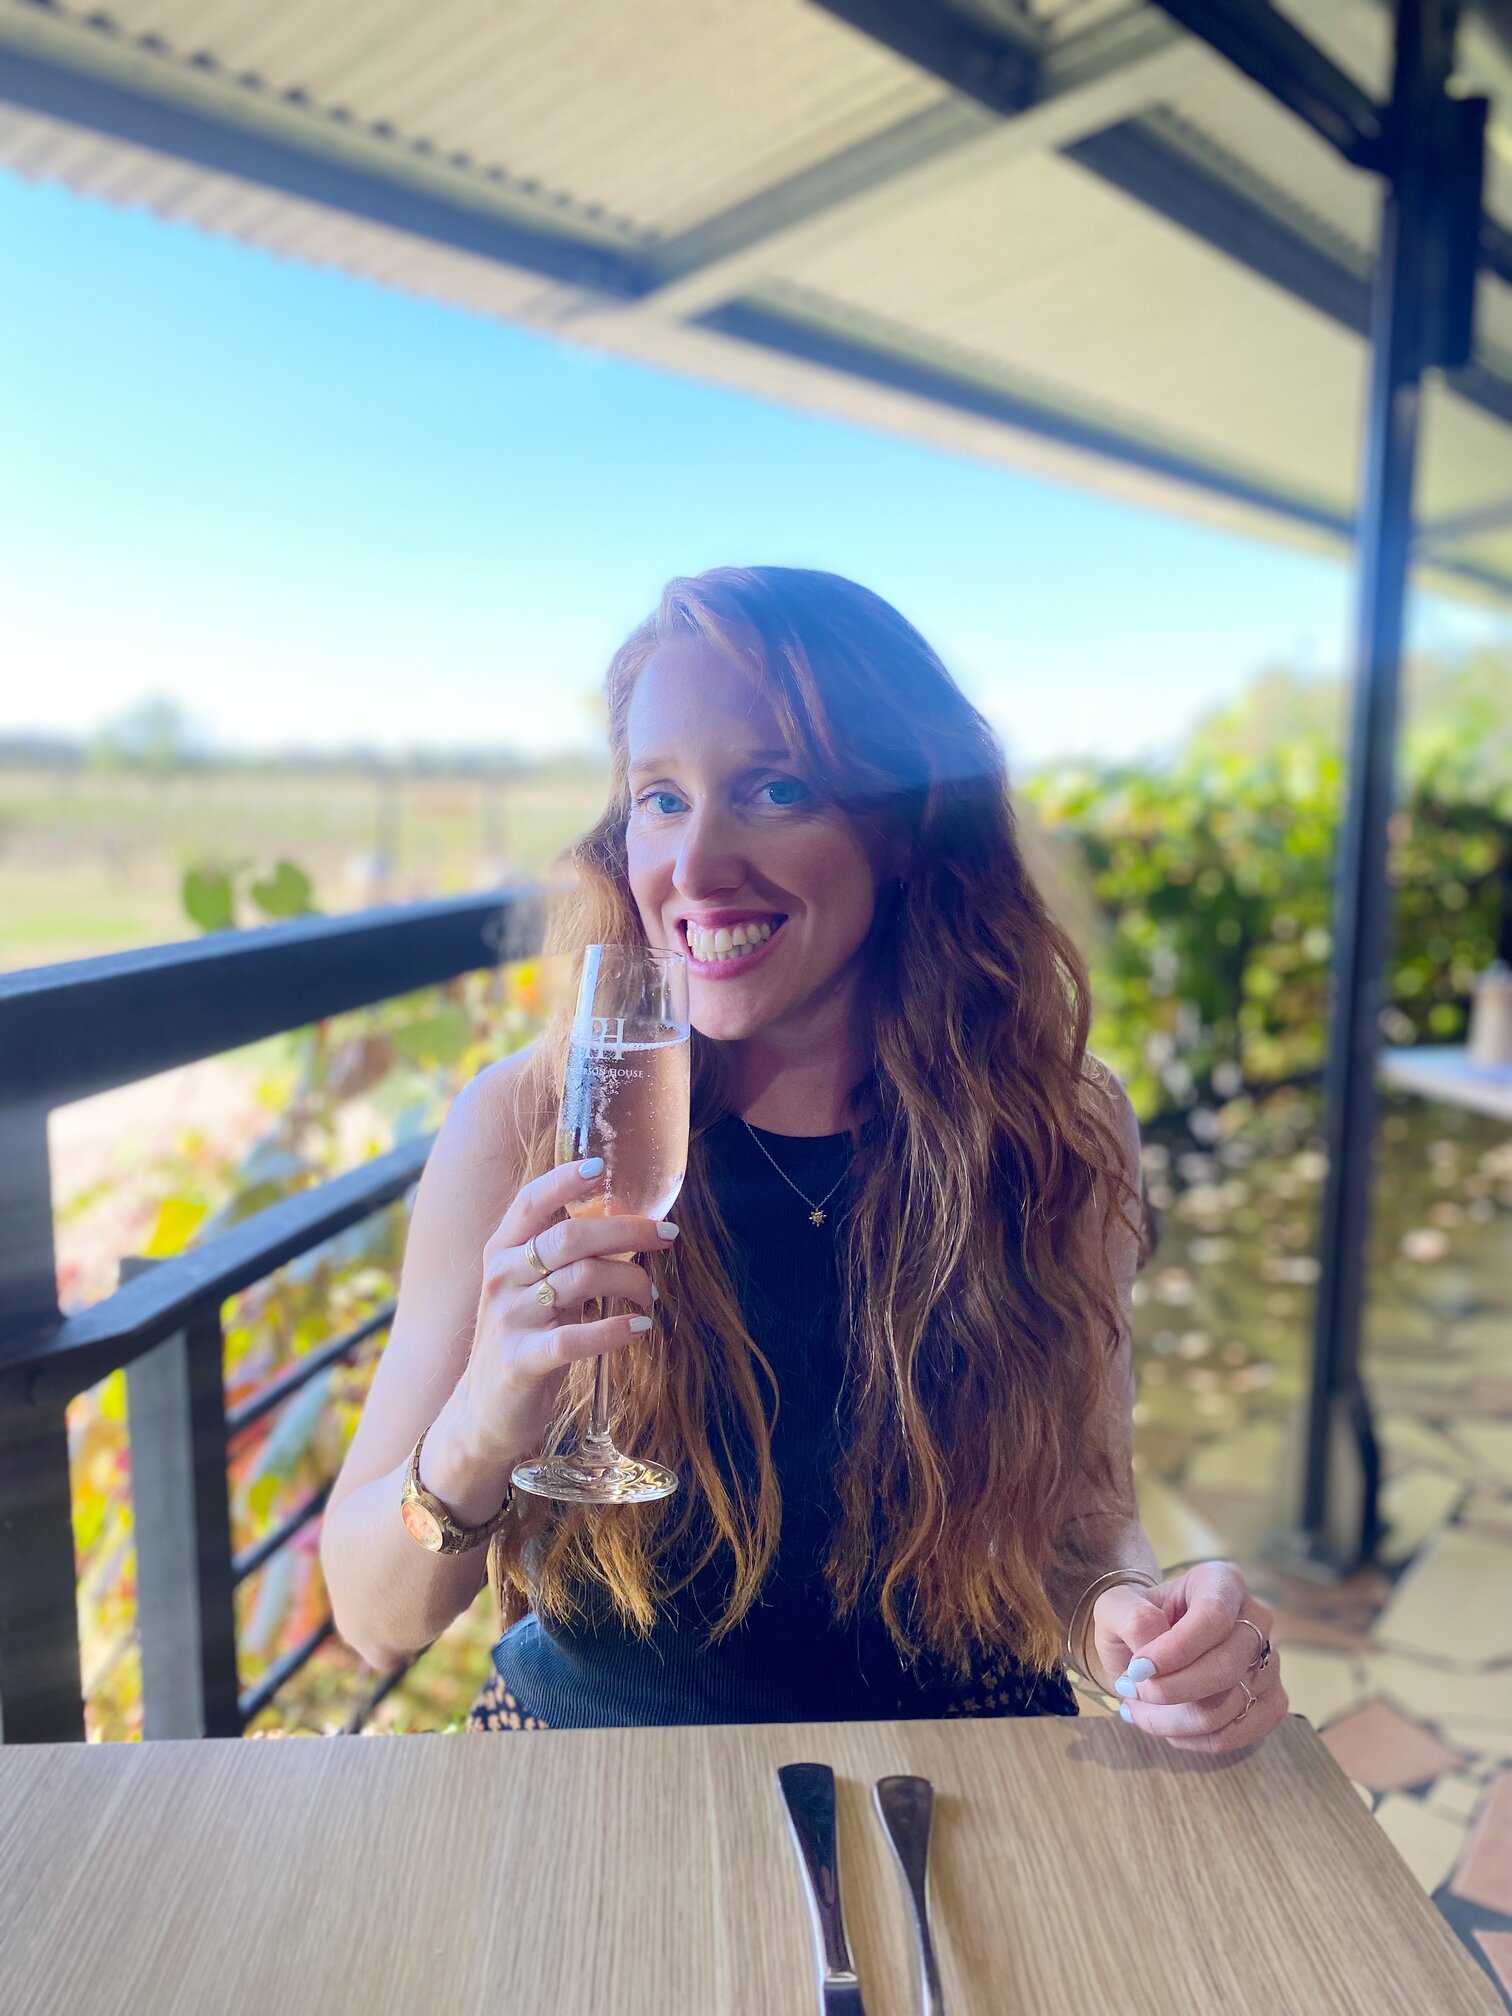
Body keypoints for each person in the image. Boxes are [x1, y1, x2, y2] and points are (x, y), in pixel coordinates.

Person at [321, 566, 1287, 1750]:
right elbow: (372, 1621)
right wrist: (486, 1415)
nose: (699, 863)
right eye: (660, 798)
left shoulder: (1053, 1124)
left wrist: (1145, 1624)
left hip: (961, 1767)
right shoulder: (524, 1128)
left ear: (910, 831)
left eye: (776, 788)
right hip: (596, 1769)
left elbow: (1084, 1526)